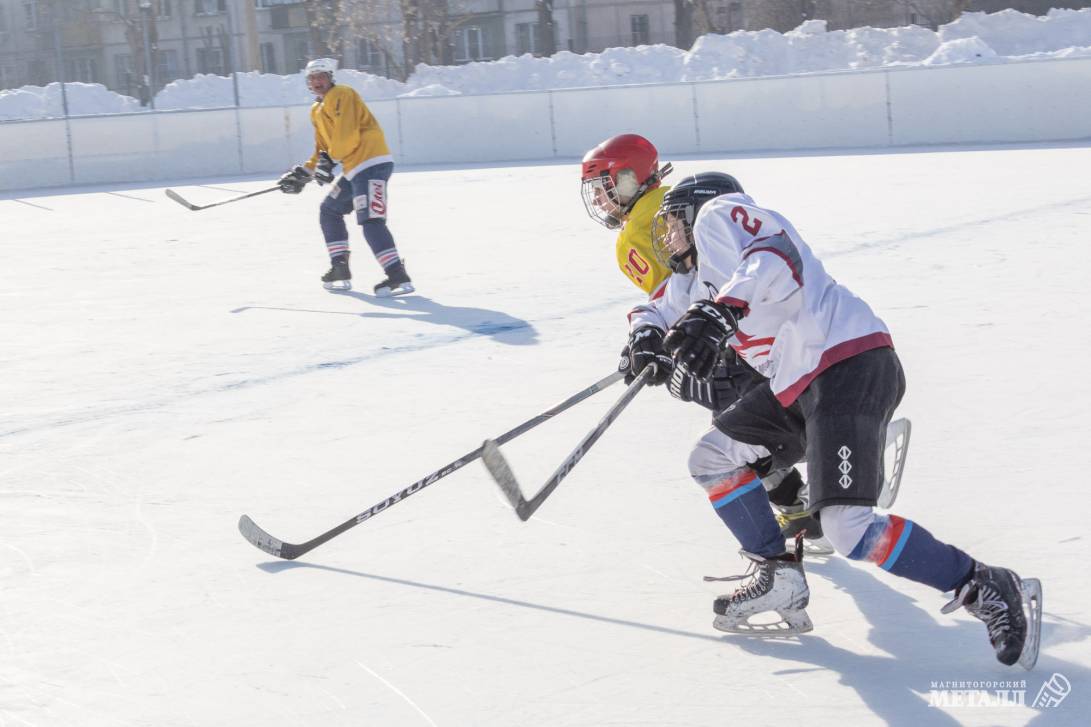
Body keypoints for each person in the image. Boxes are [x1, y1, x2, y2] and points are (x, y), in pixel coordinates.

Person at [637, 171, 1040, 668]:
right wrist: (646, 340)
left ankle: (981, 583)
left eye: (675, 220)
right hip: (796, 384)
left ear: (698, 209)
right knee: (713, 457)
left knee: (847, 528)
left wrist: (723, 311)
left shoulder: (722, 216)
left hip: (843, 360)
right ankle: (779, 574)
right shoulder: (693, 278)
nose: (670, 234)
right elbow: (655, 307)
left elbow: (772, 255)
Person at [580, 135, 832, 551]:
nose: (602, 201)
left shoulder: (637, 237)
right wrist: (649, 331)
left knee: (727, 418)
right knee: (735, 420)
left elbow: (687, 290)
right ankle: (798, 500)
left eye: (605, 188)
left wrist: (666, 341)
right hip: (762, 334)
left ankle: (806, 494)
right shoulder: (670, 199)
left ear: (628, 179)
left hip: (741, 345)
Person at [277, 58, 414, 296]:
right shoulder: (316, 109)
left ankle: (397, 275)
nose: (317, 81)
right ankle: (339, 268)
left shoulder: (342, 94)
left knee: (371, 220)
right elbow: (323, 148)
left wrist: (329, 161)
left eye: (322, 76)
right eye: (312, 78)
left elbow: (347, 135)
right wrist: (305, 172)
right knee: (329, 210)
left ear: (331, 78)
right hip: (353, 169)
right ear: (307, 83)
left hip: (372, 163)